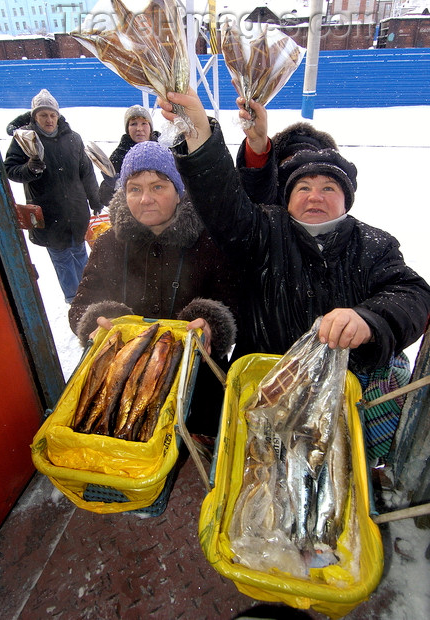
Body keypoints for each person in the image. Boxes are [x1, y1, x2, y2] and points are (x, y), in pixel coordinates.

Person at [158, 88, 430, 459]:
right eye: (303, 187)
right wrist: (198, 132)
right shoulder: (263, 231)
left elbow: (412, 294)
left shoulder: (374, 244)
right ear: (286, 198)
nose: (315, 196)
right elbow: (222, 200)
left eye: (328, 188)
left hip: (340, 398)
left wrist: (368, 320)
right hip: (263, 387)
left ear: (347, 199)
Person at [69, 140, 238, 437]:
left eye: (158, 186)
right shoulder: (108, 244)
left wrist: (212, 324)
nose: (145, 198)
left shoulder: (209, 241)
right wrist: (98, 322)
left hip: (198, 382)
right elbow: (82, 303)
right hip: (124, 381)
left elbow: (234, 301)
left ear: (178, 191)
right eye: (135, 188)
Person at [4, 89, 103, 304]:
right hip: (49, 215)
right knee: (62, 259)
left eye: (52, 115)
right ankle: (74, 301)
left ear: (58, 116)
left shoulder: (73, 138)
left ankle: (90, 295)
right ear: (35, 117)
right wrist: (30, 169)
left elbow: (86, 172)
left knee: (80, 253)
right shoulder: (25, 140)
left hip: (76, 211)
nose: (49, 119)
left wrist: (94, 199)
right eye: (43, 115)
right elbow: (10, 170)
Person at [235, 98, 338, 205]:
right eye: (289, 166)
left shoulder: (348, 221)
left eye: (327, 188)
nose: (314, 197)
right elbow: (256, 192)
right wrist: (257, 143)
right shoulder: (267, 216)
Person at [98, 104, 160, 207]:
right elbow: (104, 198)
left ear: (150, 127)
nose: (139, 128)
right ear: (127, 129)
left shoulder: (164, 149)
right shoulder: (119, 156)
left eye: (144, 123)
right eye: (133, 124)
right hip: (135, 213)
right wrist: (111, 185)